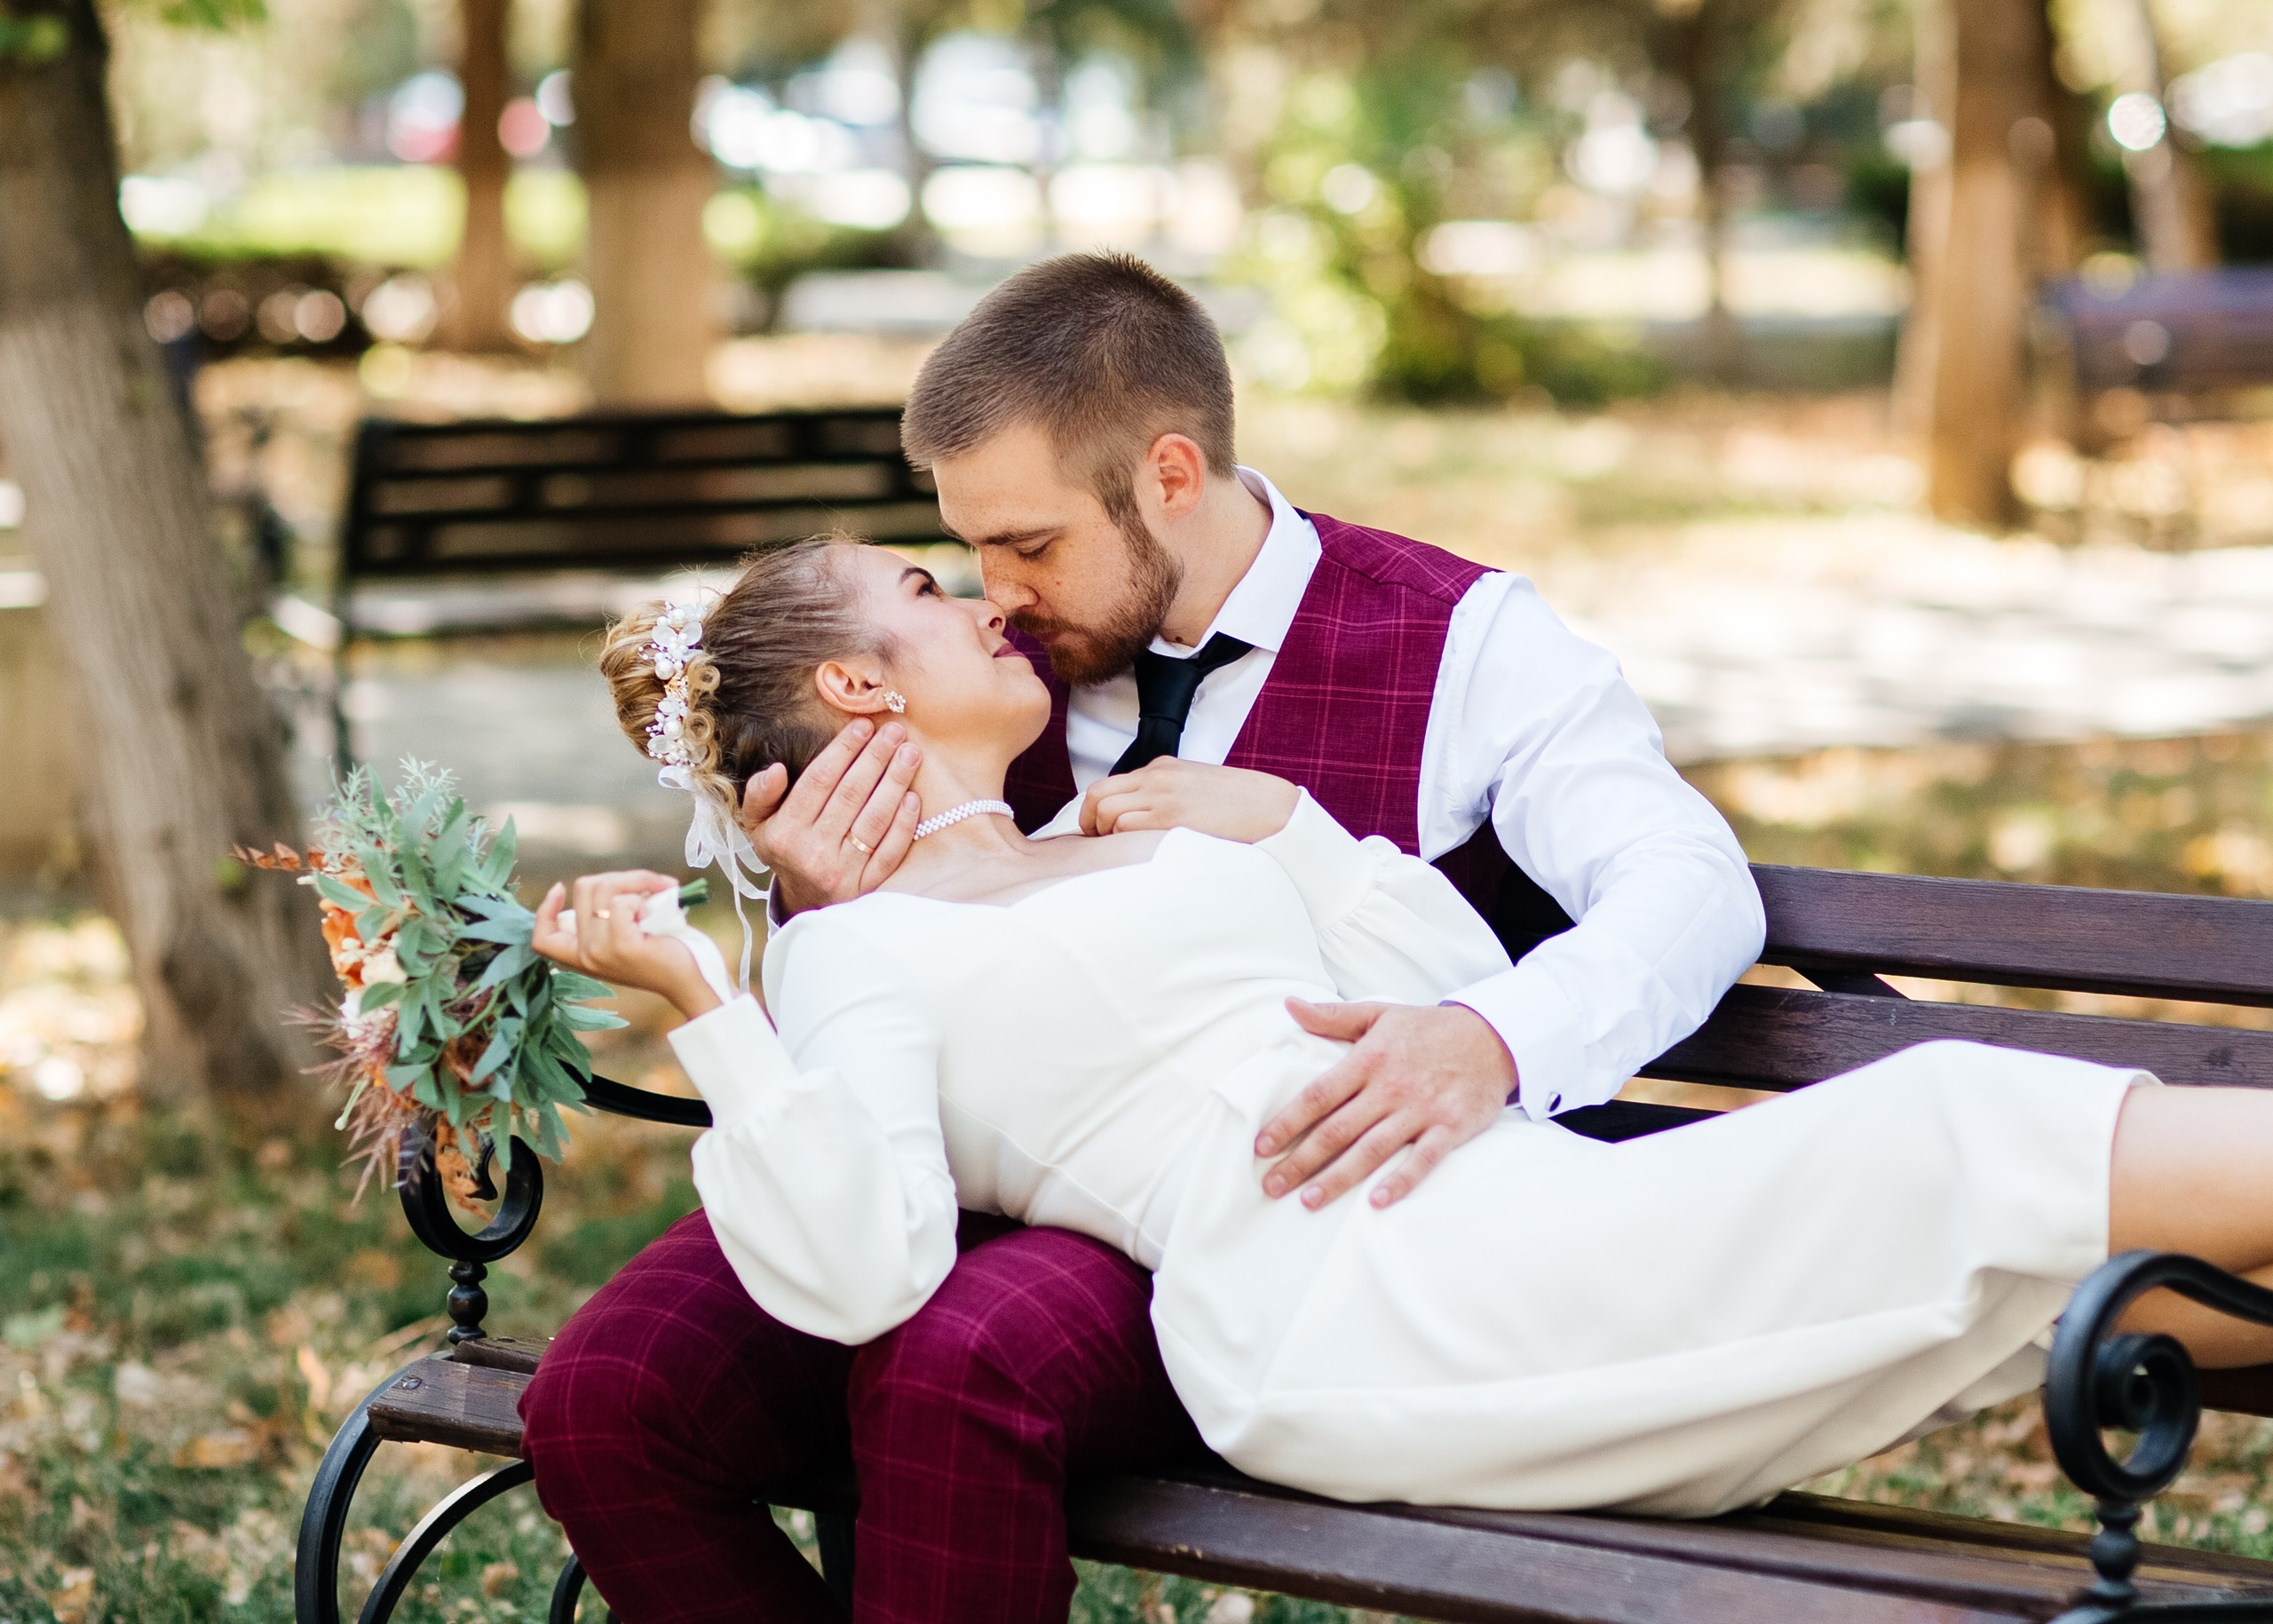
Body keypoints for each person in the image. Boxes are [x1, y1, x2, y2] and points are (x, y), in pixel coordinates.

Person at [529, 537, 2273, 1562]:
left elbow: (1437, 983)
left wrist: (1278, 823)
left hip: (1513, 1212)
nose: (989, 593)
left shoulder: (1135, 824)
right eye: (924, 586)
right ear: (856, 692)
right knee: (1953, 1126)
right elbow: (859, 1266)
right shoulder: (859, 956)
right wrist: (726, 1013)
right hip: (1354, 1309)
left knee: (2041, 1254)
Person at [518, 252, 1770, 1622]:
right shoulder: (985, 682)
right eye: (968, 552)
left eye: (1032, 546)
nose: (998, 594)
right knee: (604, 1401)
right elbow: (880, 982)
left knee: (952, 1361)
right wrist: (821, 892)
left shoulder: (1467, 643)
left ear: (1170, 475)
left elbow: (1688, 884)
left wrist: (1489, 1039)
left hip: (1253, 1206)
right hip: (923, 1168)